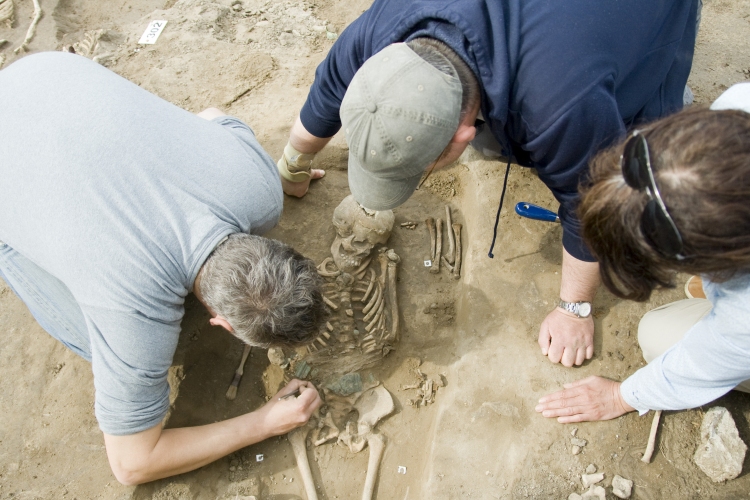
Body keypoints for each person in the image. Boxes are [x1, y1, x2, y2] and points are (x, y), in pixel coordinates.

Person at [276, 0, 700, 367]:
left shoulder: (561, 107)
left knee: (644, 145)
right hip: (546, 36)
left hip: (638, 15)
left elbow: (591, 205)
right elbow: (329, 88)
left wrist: (574, 310)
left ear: (463, 136)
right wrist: (292, 164)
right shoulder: (381, 31)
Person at [0, 52, 327, 485]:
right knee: (110, 342)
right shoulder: (133, 315)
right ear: (222, 323)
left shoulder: (262, 189)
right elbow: (132, 464)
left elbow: (211, 115)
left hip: (43, 72)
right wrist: (263, 423)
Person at [535, 83, 750, 423]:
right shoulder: (737, 107)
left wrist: (621, 396)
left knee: (656, 336)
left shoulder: (746, 317)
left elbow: (703, 364)